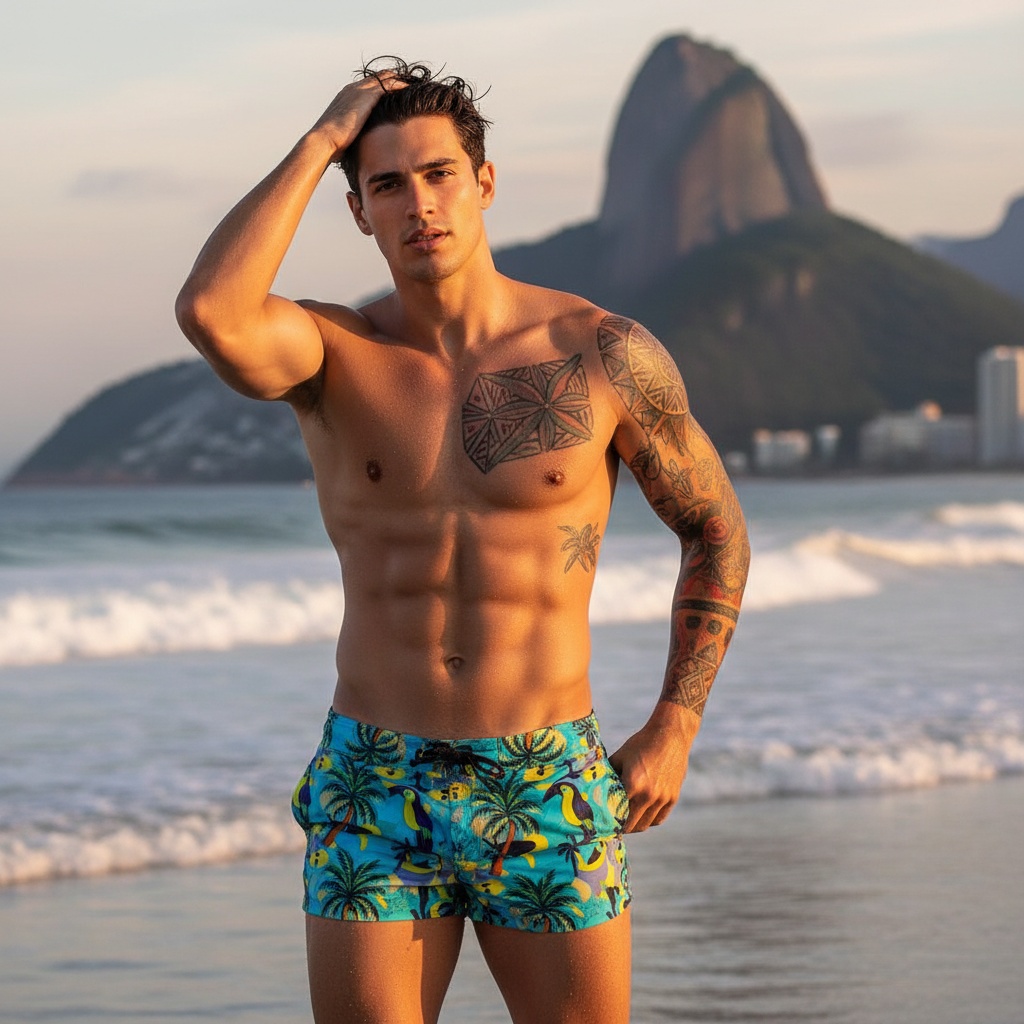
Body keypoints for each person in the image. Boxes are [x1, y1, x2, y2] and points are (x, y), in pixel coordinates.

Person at [175, 57, 749, 1024]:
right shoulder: (333, 354)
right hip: (374, 776)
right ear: (357, 211)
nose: (419, 205)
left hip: (544, 773)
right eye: (386, 185)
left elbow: (715, 531)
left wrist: (677, 725)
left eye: (439, 174)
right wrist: (321, 141)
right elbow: (211, 313)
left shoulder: (600, 353)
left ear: (483, 184)